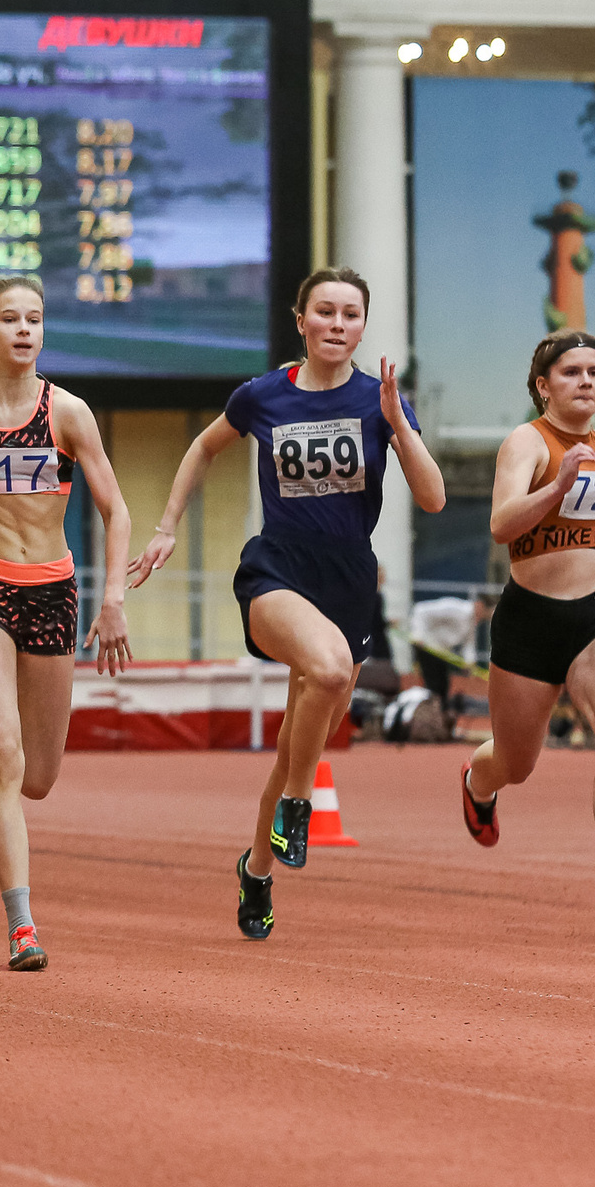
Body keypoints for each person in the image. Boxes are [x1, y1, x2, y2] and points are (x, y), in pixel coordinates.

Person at [130, 266, 445, 941]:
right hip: (276, 569)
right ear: (300, 321)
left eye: (350, 314)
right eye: (324, 312)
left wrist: (399, 426)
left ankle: (257, 867)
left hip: (349, 579)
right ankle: (300, 801)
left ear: (363, 326)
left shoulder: (379, 400)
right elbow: (203, 446)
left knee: (290, 747)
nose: (337, 324)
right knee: (330, 672)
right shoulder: (263, 395)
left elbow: (433, 497)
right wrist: (165, 526)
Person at [0, 273, 132, 971]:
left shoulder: (68, 413)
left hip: (52, 592)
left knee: (37, 775)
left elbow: (116, 508)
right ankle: (21, 924)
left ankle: (20, 884)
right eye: (9, 318)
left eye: (34, 319)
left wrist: (113, 598)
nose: (23, 330)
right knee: (2, 748)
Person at [462, 330, 595, 912]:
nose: (586, 382)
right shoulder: (527, 443)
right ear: (544, 386)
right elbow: (501, 523)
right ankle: (477, 782)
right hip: (530, 621)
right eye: (571, 372)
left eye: (594, 371)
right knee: (517, 764)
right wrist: (556, 486)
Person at [407, 592, 491, 706]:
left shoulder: (472, 621)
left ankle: (440, 713)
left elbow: (468, 643)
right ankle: (431, 712)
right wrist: (418, 635)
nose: (484, 618)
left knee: (443, 686)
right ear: (480, 605)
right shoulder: (455, 608)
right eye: (486, 613)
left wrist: (469, 662)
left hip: (442, 652)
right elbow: (421, 610)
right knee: (433, 685)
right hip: (428, 647)